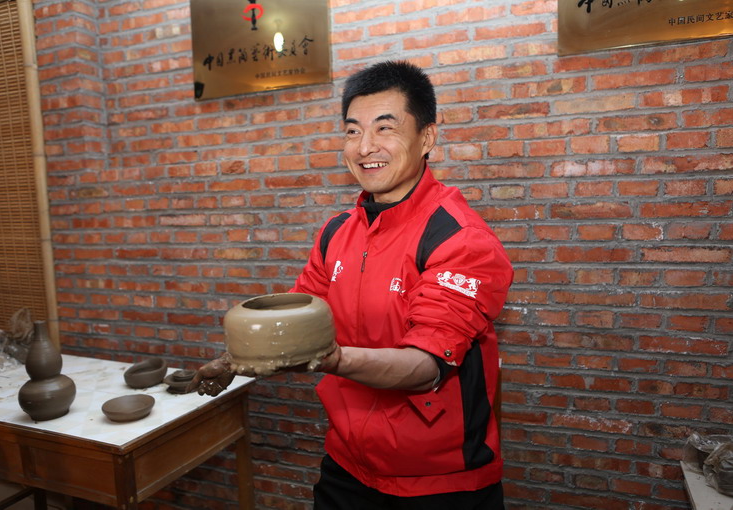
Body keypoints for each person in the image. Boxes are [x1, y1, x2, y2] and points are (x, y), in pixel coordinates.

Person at [191, 60, 513, 509]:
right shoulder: (336, 232)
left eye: (385, 128)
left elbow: (426, 368)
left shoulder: (460, 239)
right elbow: (295, 322)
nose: (365, 147)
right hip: (347, 466)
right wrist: (237, 360)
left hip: (439, 481)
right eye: (352, 131)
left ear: (427, 138)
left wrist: (333, 359)